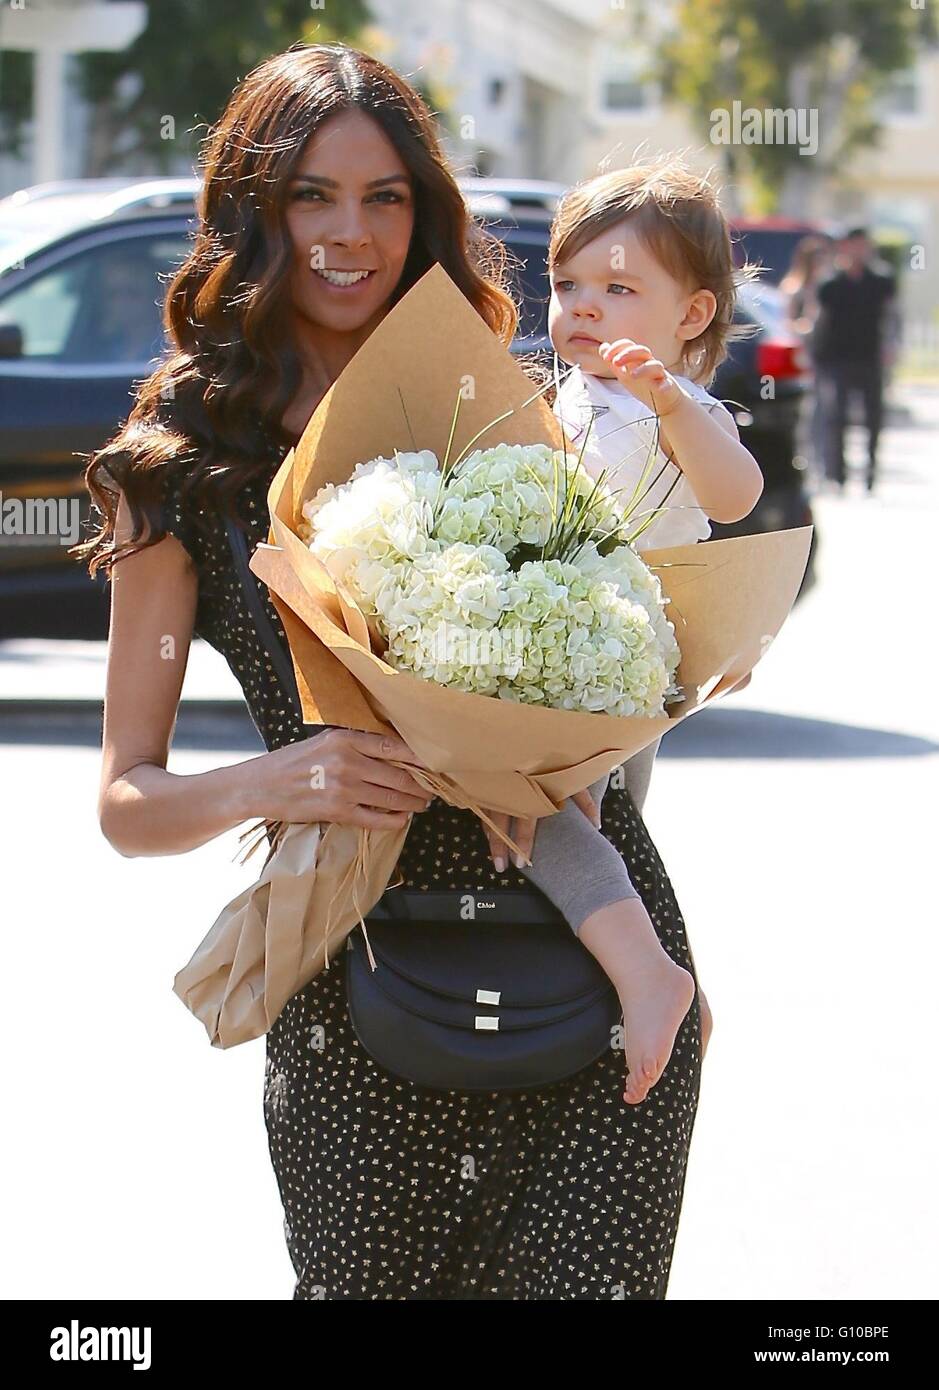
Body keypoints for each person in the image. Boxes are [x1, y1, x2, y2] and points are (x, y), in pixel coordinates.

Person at [76, 43, 705, 1301]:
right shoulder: (181, 474)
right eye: (312, 195)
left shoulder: (504, 408)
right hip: (354, 991)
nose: (348, 232)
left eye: (385, 197)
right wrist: (288, 776)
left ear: (424, 211)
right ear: (254, 212)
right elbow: (127, 804)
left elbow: (652, 603)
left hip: (598, 958)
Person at [478, 160, 763, 1107]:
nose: (583, 309)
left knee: (553, 812)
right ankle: (642, 982)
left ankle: (653, 977)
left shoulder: (683, 411)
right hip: (555, 648)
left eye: (618, 288)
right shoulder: (557, 397)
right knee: (572, 825)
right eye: (566, 287)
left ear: (690, 317)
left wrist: (675, 408)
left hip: (621, 668)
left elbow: (736, 497)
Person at [813, 226, 897, 491]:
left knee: (874, 416)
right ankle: (838, 474)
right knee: (836, 416)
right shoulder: (831, 283)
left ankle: (871, 473)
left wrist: (892, 345)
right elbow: (820, 319)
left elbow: (892, 316)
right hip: (837, 357)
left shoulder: (881, 281)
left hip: (869, 356)